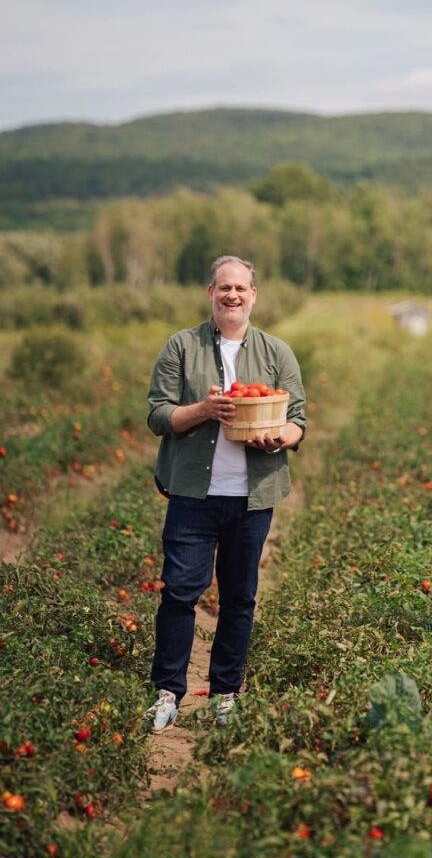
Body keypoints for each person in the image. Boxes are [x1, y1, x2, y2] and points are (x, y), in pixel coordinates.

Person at [144, 255, 307, 733]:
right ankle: (168, 691)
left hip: (251, 496)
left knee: (239, 596)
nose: (232, 295)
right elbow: (158, 416)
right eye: (223, 288)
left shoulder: (277, 352)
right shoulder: (181, 346)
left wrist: (280, 438)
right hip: (194, 493)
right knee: (179, 592)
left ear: (254, 295)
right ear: (210, 294)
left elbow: (298, 420)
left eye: (241, 288)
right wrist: (204, 409)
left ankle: (224, 693)